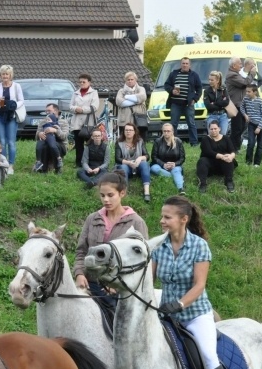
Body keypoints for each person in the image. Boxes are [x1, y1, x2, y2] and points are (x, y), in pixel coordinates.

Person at [152, 195, 233, 369]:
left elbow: (199, 285)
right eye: (162, 216)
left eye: (167, 217)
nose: (162, 221)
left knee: (209, 356)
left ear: (183, 219)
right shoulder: (159, 245)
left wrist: (178, 304)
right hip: (167, 315)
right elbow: (149, 277)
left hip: (195, 314)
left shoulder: (199, 246)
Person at [74, 171, 148, 314]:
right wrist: (79, 274)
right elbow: (81, 251)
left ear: (122, 193)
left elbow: (143, 262)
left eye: (110, 195)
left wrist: (119, 285)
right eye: (102, 196)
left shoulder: (136, 222)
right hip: (90, 284)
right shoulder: (92, 219)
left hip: (120, 292)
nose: (106, 200)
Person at [225, 56, 262, 151]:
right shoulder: (232, 75)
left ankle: (234, 147)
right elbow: (245, 83)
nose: (241, 65)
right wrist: (252, 73)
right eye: (239, 64)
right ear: (234, 65)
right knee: (237, 128)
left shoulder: (236, 74)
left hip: (241, 105)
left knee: (242, 127)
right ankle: (233, 148)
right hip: (235, 105)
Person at [0, 65, 24, 175]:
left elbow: (21, 100)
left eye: (7, 74)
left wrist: (14, 105)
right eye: (3, 74)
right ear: (0, 75)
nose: (5, 76)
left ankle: (10, 165)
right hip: (0, 116)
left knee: (11, 142)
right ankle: (3, 164)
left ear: (10, 75)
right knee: (2, 141)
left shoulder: (16, 86)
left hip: (11, 116)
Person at [164, 57, 203, 146]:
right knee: (173, 124)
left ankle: (194, 143)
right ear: (180, 64)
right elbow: (166, 85)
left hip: (188, 104)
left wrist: (195, 99)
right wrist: (172, 90)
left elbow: (199, 88)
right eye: (183, 63)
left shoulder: (194, 75)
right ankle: (172, 142)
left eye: (186, 63)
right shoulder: (174, 73)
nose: (185, 65)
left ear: (190, 65)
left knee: (191, 123)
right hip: (175, 104)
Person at [69, 74, 100, 168]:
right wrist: (75, 109)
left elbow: (94, 107)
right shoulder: (75, 93)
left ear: (89, 82)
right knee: (78, 144)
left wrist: (82, 110)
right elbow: (70, 106)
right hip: (77, 123)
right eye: (80, 82)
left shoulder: (94, 93)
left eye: (84, 82)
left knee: (90, 143)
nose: (82, 84)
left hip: (89, 123)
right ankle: (79, 163)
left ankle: (92, 162)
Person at [115, 123, 151, 202]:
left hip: (138, 166)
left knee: (144, 164)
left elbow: (147, 156)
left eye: (130, 130)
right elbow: (117, 159)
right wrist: (129, 163)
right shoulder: (119, 142)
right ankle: (124, 192)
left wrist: (140, 158)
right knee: (123, 167)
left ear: (134, 132)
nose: (128, 132)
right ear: (124, 132)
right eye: (126, 130)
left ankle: (147, 192)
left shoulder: (140, 141)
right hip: (126, 166)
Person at [197, 122, 236, 194]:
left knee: (228, 159)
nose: (213, 130)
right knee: (202, 161)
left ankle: (229, 181)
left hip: (223, 165)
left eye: (215, 128)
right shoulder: (205, 139)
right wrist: (222, 156)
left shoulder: (226, 138)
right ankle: (202, 184)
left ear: (219, 129)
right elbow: (208, 152)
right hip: (209, 165)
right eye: (211, 129)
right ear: (209, 130)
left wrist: (231, 156)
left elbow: (232, 150)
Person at [150, 123, 185, 194]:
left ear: (172, 132)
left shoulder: (178, 141)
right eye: (164, 131)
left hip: (175, 165)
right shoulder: (158, 141)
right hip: (160, 165)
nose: (166, 133)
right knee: (154, 168)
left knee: (176, 170)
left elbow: (182, 158)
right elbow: (154, 157)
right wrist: (163, 165)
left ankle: (181, 189)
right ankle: (175, 177)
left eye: (168, 131)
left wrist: (175, 164)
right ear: (162, 132)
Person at [33, 103, 68, 174]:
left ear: (56, 111)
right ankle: (43, 168)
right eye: (46, 111)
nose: (47, 112)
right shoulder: (43, 121)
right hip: (45, 143)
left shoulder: (63, 122)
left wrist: (55, 131)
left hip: (60, 145)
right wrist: (40, 134)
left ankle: (58, 168)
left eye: (49, 110)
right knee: (43, 145)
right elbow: (36, 135)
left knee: (52, 145)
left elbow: (64, 136)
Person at [116, 71, 147, 139]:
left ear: (135, 80)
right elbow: (120, 102)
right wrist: (137, 101)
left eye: (132, 79)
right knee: (123, 140)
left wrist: (127, 97)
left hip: (139, 121)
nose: (130, 81)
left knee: (140, 140)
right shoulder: (121, 91)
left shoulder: (141, 89)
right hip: (124, 121)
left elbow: (143, 97)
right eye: (128, 79)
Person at [241, 86, 262, 167]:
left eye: (249, 92)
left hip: (260, 125)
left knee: (260, 145)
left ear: (255, 92)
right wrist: (245, 115)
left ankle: (257, 163)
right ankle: (248, 162)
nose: (247, 93)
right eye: (246, 91)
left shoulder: (260, 101)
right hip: (251, 124)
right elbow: (241, 107)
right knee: (251, 143)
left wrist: (259, 127)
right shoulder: (245, 99)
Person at [203, 70, 230, 136]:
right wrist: (221, 104)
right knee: (212, 135)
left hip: (223, 115)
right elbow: (208, 106)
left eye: (212, 80)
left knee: (223, 134)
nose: (210, 81)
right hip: (212, 115)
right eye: (209, 80)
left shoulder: (223, 89)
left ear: (217, 81)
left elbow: (226, 102)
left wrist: (214, 103)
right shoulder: (206, 91)